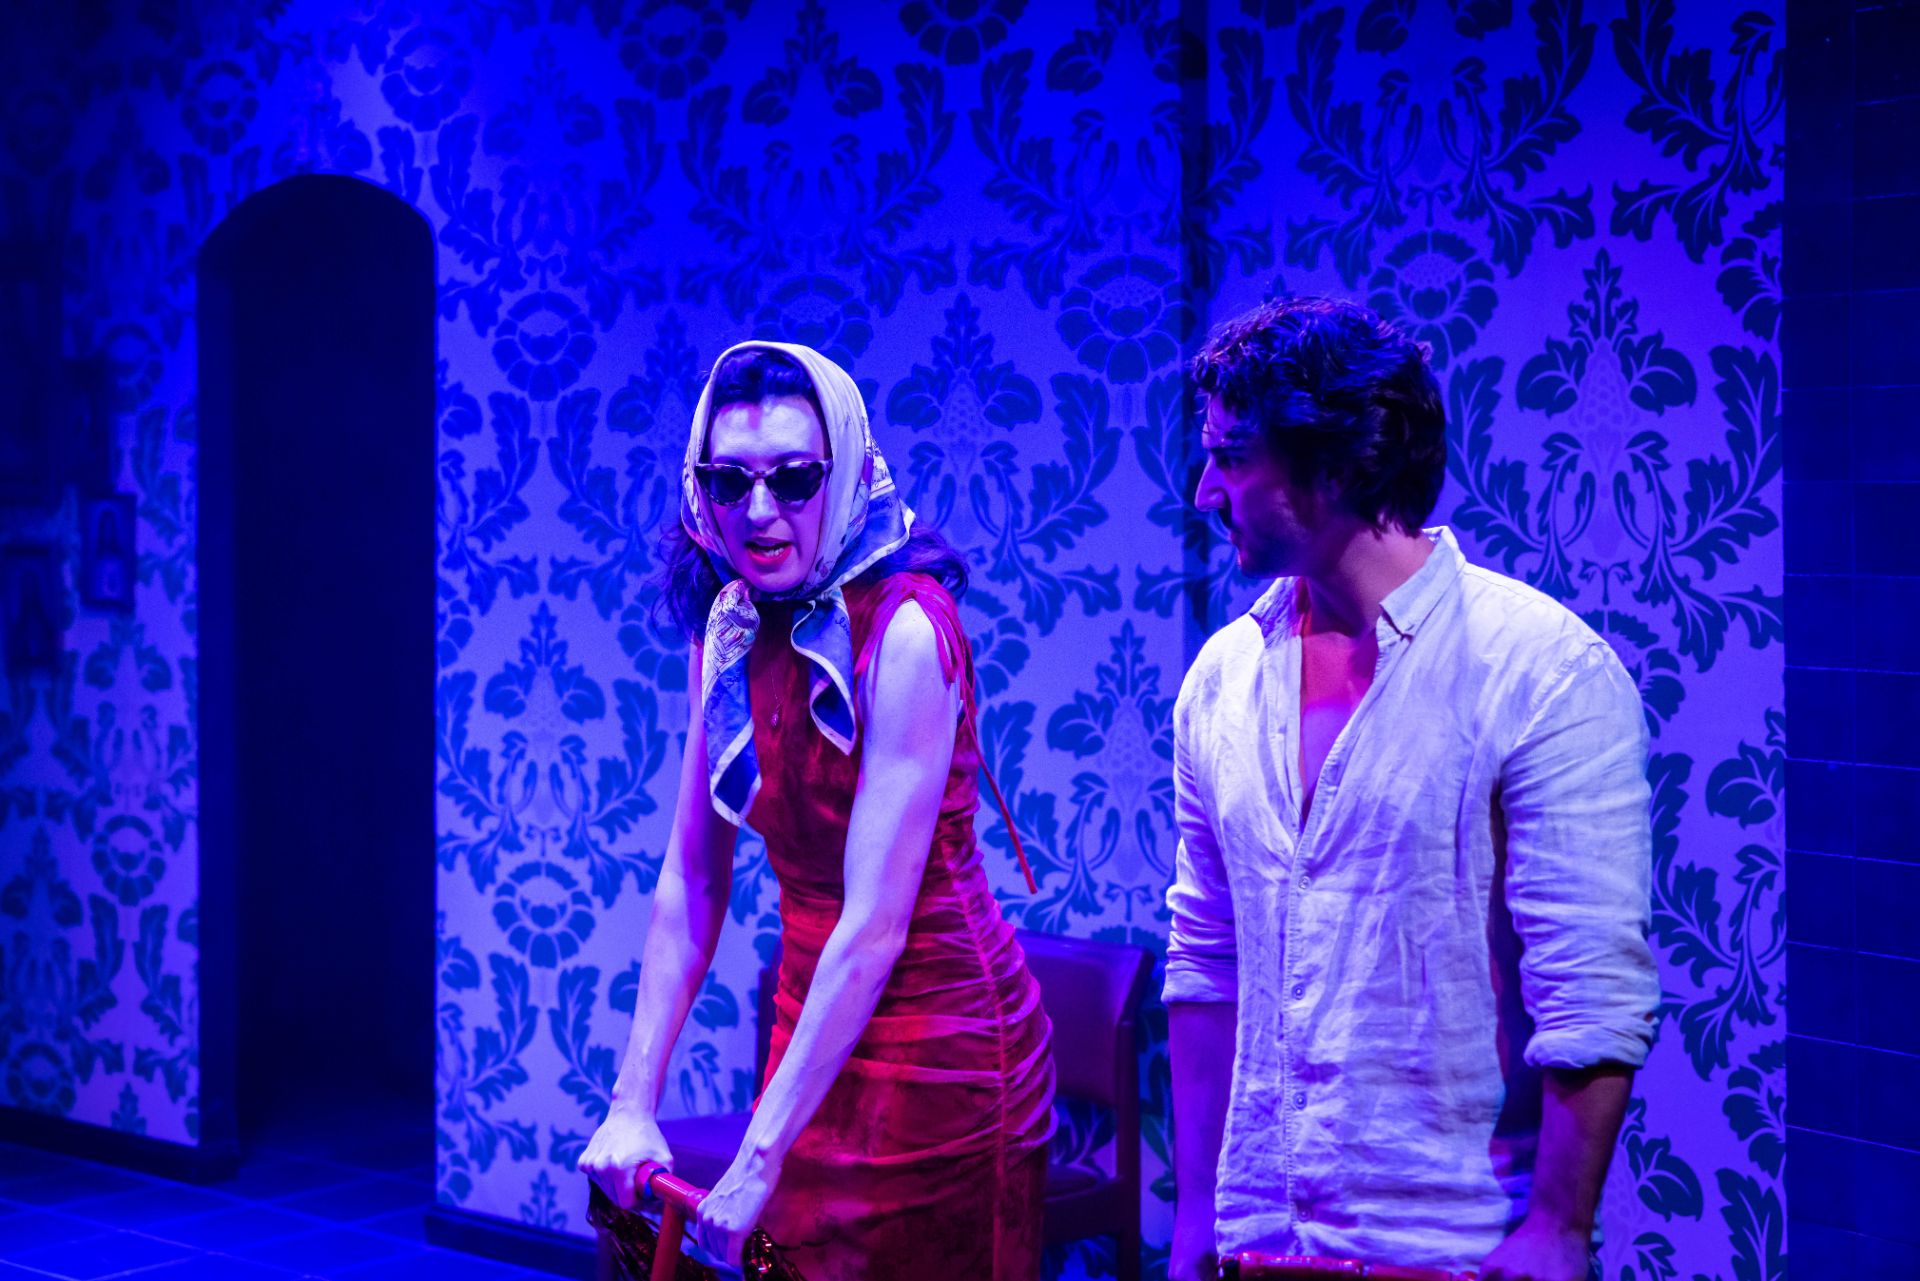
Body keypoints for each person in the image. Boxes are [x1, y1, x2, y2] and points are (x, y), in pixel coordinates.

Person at [1162, 298, 1659, 1281]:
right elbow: (1207, 958)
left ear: (1336, 463)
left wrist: (1560, 1225)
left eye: (1232, 457)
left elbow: (1590, 983)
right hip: (1259, 1235)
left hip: (1454, 1244)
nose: (1206, 490)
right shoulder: (1222, 677)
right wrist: (1194, 1215)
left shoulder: (1539, 668)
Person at [581, 340, 1055, 1281]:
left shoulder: (906, 629)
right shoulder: (725, 629)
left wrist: (758, 1155)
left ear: (842, 475)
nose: (760, 511)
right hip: (812, 1029)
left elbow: (874, 925)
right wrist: (633, 1099)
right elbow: (693, 877)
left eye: (794, 478)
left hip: (944, 1050)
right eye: (730, 481)